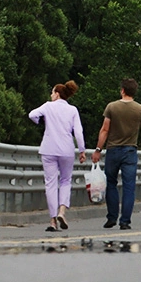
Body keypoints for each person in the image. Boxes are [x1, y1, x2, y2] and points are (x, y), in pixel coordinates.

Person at [93, 78, 141, 230]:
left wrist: (98, 149)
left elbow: (104, 130)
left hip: (113, 150)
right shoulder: (140, 109)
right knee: (129, 186)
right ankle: (125, 221)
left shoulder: (112, 107)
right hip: (130, 151)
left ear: (123, 90)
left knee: (111, 183)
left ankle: (111, 217)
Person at [29, 80, 86, 232]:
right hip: (66, 149)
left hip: (48, 148)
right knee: (66, 181)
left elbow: (32, 115)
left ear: (57, 94)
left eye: (52, 92)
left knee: (51, 183)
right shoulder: (73, 110)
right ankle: (62, 211)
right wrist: (82, 151)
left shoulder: (48, 106)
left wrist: (41, 121)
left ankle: (53, 220)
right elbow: (78, 132)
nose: (51, 95)